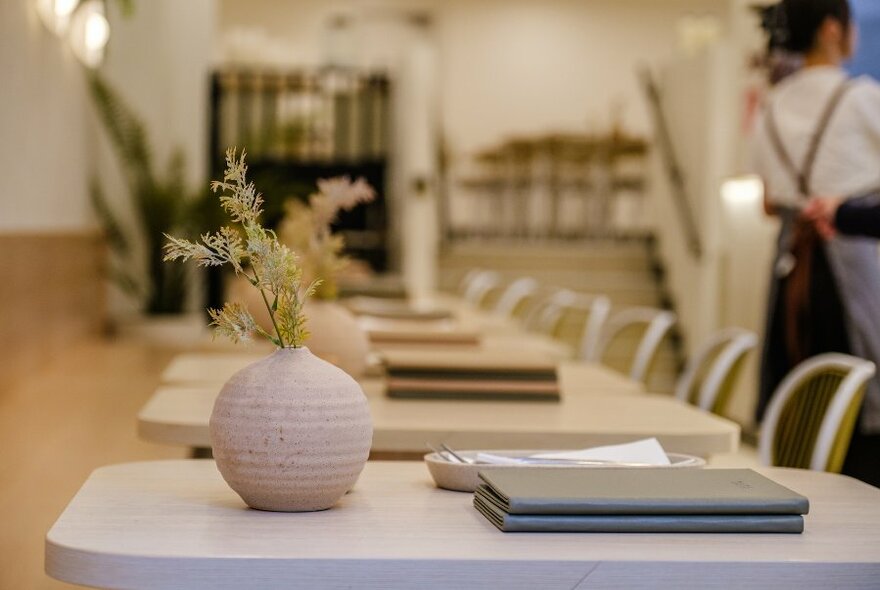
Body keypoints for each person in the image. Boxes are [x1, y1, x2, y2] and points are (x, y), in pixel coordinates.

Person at [752, 0, 880, 485]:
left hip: (790, 267)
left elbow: (767, 203)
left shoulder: (772, 102)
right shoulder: (861, 97)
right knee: (861, 399)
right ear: (832, 29)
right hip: (850, 261)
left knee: (798, 397)